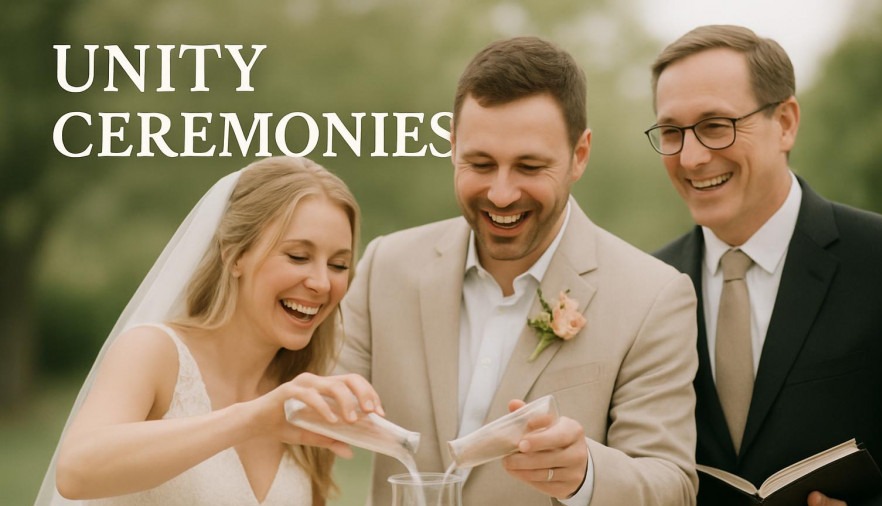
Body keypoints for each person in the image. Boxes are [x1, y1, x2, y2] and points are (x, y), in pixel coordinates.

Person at [338, 36, 699, 505]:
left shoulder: (654, 296)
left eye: (529, 166)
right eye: (480, 163)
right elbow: (306, 415)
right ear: (452, 146)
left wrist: (585, 475)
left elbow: (672, 487)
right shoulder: (386, 265)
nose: (502, 194)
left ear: (580, 155)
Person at [35, 156, 383, 506]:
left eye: (338, 265)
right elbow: (76, 471)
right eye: (297, 256)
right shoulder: (153, 352)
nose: (322, 283)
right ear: (234, 255)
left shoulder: (306, 393)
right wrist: (252, 419)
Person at [647, 25, 882, 506]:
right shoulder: (647, 286)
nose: (691, 157)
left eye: (715, 125)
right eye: (672, 132)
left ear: (785, 122)